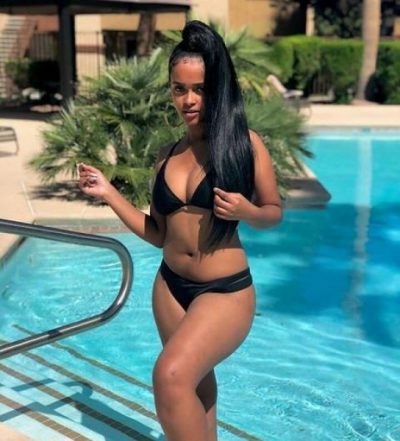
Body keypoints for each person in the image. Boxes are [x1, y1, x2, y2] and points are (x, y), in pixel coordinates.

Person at [78, 20, 282, 441]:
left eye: (200, 89)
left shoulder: (245, 145)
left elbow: (274, 212)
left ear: (217, 88)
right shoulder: (166, 155)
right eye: (179, 89)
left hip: (224, 291)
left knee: (169, 375)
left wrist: (247, 210)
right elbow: (158, 233)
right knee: (195, 384)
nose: (188, 100)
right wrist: (109, 193)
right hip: (170, 287)